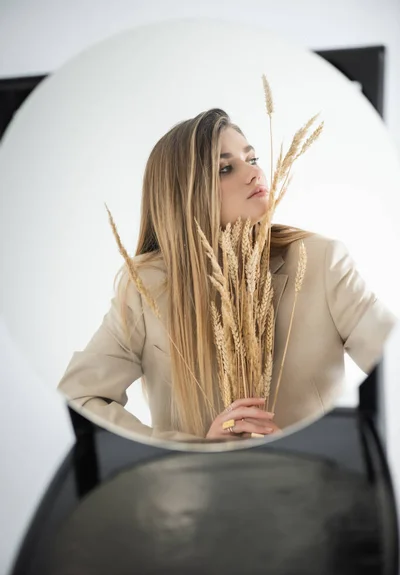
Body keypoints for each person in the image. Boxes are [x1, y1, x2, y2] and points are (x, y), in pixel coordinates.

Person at [57, 108, 397, 443]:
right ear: (185, 195)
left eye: (252, 159)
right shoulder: (146, 286)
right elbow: (81, 397)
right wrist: (187, 452)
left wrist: (308, 447)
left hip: (311, 490)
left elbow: (391, 370)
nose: (254, 174)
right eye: (225, 168)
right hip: (200, 495)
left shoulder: (320, 260)